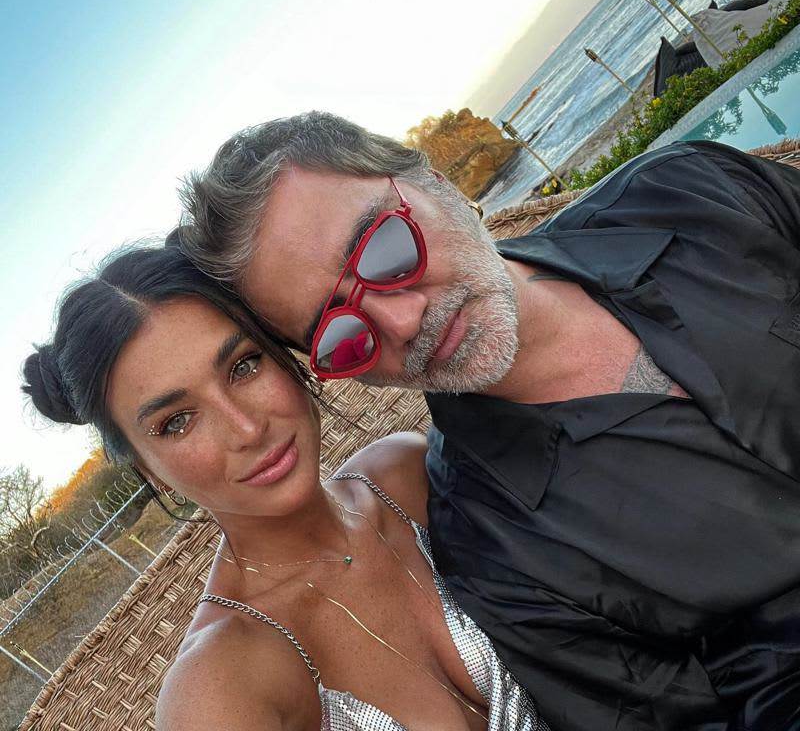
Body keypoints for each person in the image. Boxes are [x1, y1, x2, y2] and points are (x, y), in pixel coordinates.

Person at [177, 111, 800, 731]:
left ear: (433, 180)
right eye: (340, 335)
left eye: (385, 248)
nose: (401, 322)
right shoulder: (497, 551)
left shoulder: (688, 193)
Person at [21, 243, 548, 731]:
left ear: (282, 353)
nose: (247, 428)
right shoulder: (220, 689)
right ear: (149, 470)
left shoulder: (409, 471)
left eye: (244, 366)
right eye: (177, 421)